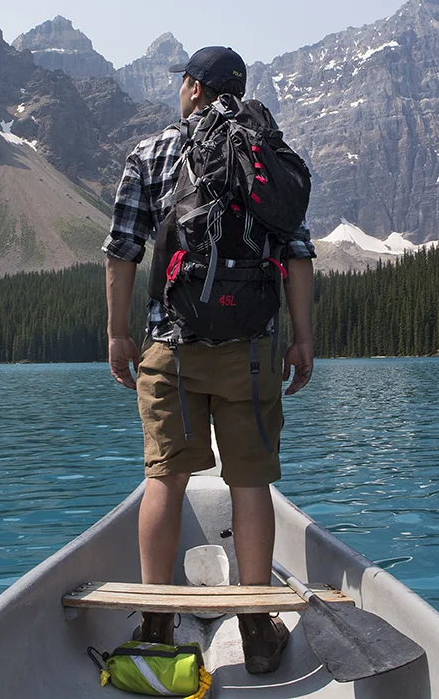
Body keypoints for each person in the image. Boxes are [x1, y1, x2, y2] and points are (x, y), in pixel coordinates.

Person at [103, 46, 315, 676]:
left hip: (171, 343)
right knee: (249, 483)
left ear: (193, 87)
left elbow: (123, 251)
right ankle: (256, 628)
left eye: (183, 83)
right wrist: (302, 340)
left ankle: (157, 624)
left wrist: (119, 335)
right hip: (252, 349)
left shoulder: (151, 153)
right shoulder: (267, 155)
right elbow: (297, 253)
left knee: (164, 478)